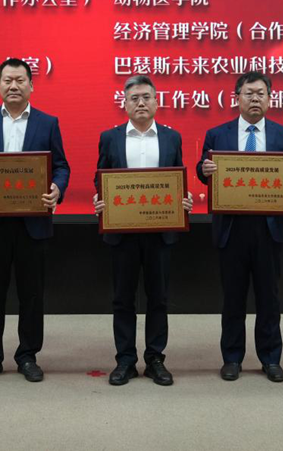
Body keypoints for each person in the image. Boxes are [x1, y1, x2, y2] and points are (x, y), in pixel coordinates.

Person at [0, 58, 70, 383]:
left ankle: (27, 356)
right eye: (7, 80)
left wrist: (57, 188)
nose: (13, 86)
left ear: (31, 86)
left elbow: (61, 166)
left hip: (32, 224)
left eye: (20, 80)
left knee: (31, 294)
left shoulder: (47, 123)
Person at [196, 70, 283, 383]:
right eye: (249, 93)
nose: (255, 99)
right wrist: (205, 169)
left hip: (269, 228)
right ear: (237, 98)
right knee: (233, 298)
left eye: (261, 94)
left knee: (269, 298)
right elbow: (204, 170)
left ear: (270, 99)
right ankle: (232, 358)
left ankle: (271, 358)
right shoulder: (217, 134)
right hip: (232, 228)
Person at [92, 76, 193, 387]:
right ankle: (125, 360)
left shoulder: (171, 137)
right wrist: (100, 199)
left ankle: (155, 359)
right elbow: (100, 177)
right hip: (122, 231)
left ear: (156, 102)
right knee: (122, 299)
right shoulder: (109, 138)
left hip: (160, 231)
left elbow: (178, 177)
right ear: (124, 104)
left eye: (146, 97)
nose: (140, 103)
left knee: (158, 298)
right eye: (134, 98)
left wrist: (183, 199)